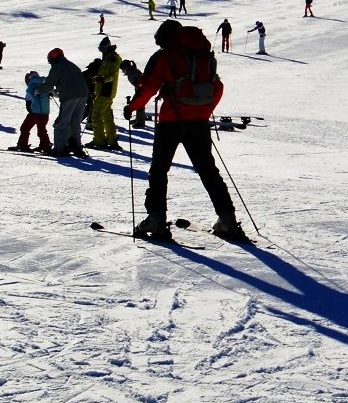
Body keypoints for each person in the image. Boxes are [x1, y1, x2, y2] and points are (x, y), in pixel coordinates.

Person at [127, 20, 246, 243]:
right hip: (199, 122)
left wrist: (131, 107)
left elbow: (149, 88)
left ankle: (156, 220)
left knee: (159, 170)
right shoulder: (202, 54)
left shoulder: (166, 55)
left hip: (171, 121)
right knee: (208, 171)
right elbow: (217, 87)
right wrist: (202, 110)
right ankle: (228, 220)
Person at [45, 48, 90, 157]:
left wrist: (38, 91)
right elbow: (69, 83)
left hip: (70, 96)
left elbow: (48, 84)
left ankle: (59, 149)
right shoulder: (71, 65)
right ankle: (76, 146)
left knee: (62, 122)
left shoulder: (58, 66)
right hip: (83, 95)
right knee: (75, 122)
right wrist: (55, 92)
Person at [88, 39, 123, 150]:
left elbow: (112, 74)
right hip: (103, 91)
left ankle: (99, 141)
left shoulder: (113, 58)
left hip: (106, 91)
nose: (101, 51)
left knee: (96, 116)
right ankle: (111, 139)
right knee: (106, 116)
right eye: (100, 49)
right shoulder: (107, 57)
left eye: (103, 49)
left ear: (108, 47)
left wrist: (102, 79)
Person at [15, 70, 53, 152]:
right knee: (42, 129)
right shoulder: (44, 84)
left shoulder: (31, 86)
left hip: (35, 112)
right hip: (45, 112)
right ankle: (45, 144)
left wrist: (30, 108)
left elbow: (29, 100)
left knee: (25, 128)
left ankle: (22, 144)